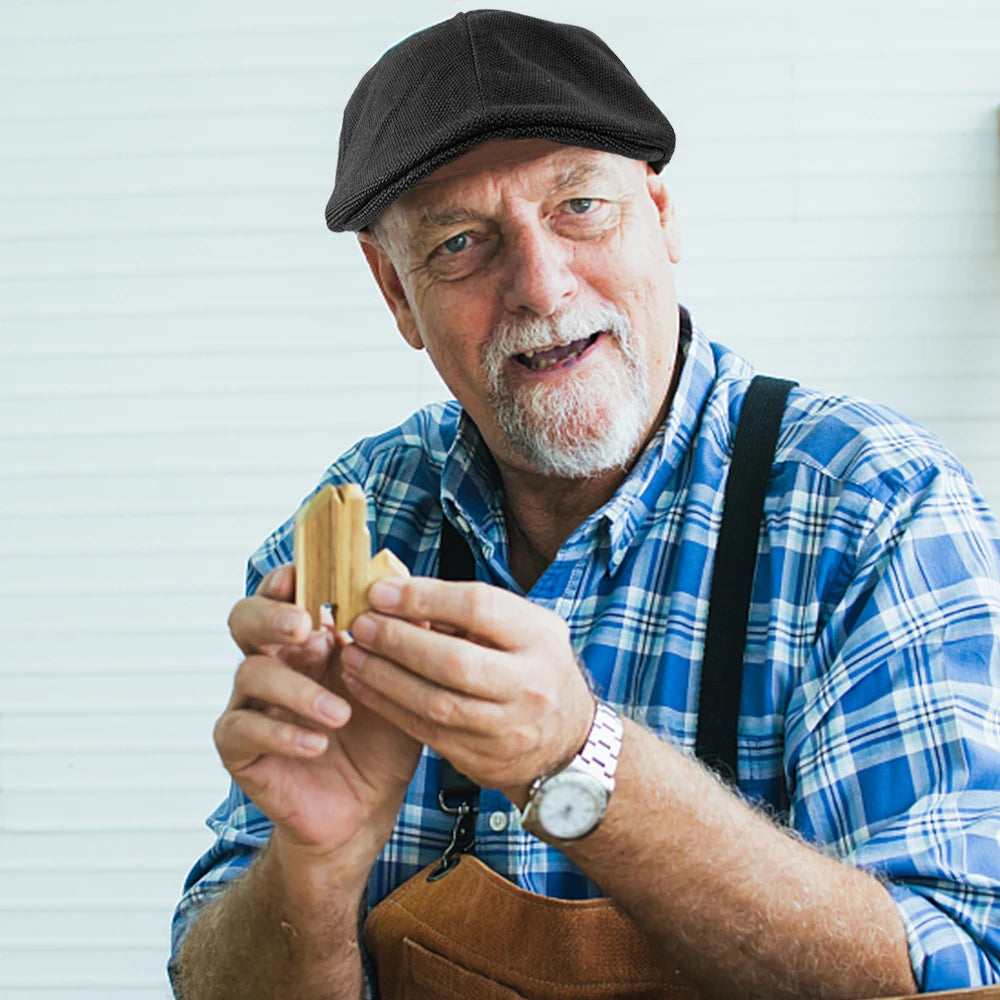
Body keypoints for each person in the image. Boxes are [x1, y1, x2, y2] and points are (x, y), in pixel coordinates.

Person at [168, 10, 1000, 999]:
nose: (540, 283)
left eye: (579, 207)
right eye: (462, 243)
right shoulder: (360, 522)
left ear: (661, 212)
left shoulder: (875, 509)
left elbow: (957, 968)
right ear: (395, 292)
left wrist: (579, 758)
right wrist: (313, 863)